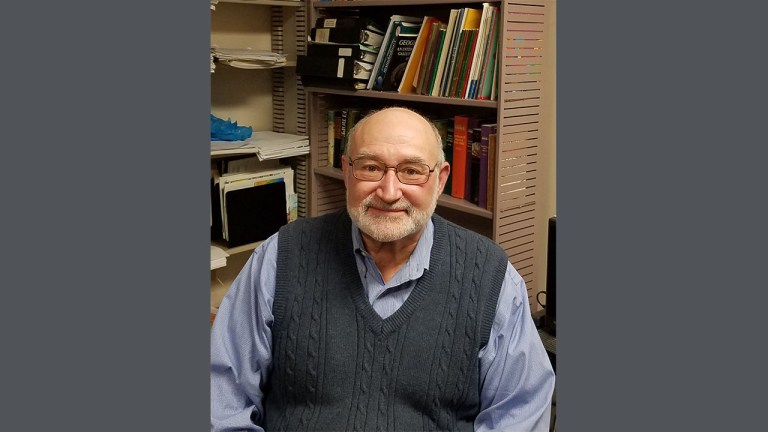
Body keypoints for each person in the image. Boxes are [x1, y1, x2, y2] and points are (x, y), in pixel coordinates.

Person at [211, 107, 555, 431]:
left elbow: (518, 413)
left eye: (412, 171)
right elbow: (222, 400)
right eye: (371, 167)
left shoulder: (490, 277)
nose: (389, 192)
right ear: (346, 171)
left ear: (440, 179)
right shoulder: (281, 257)